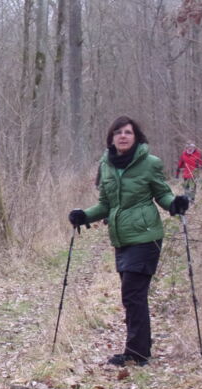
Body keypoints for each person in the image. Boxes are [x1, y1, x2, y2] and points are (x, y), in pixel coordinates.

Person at [68, 116, 190, 367]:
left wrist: (175, 205)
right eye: (118, 132)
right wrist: (83, 216)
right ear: (111, 138)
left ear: (136, 137)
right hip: (121, 239)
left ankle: (136, 353)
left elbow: (163, 194)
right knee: (133, 296)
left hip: (146, 237)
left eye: (128, 132)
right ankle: (140, 349)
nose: (123, 136)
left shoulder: (150, 163)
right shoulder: (107, 165)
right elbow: (105, 204)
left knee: (132, 294)